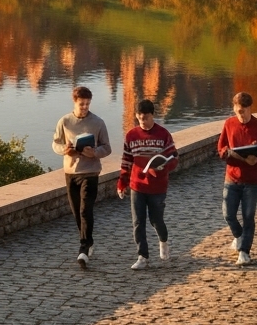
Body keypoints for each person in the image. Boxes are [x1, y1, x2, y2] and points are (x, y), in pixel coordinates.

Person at [52, 85, 111, 269]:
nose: (85, 107)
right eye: (82, 104)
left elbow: (107, 147)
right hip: (71, 172)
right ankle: (88, 240)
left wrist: (94, 153)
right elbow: (55, 143)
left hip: (91, 172)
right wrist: (65, 150)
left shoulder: (98, 122)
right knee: (77, 211)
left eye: (87, 104)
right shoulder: (65, 121)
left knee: (86, 209)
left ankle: (83, 248)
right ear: (75, 102)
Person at [216, 92, 257, 266]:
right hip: (232, 177)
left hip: (252, 180)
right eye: (237, 111)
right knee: (228, 214)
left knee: (248, 216)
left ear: (250, 108)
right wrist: (226, 153)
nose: (240, 115)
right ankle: (239, 236)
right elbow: (221, 147)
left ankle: (244, 252)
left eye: (243, 111)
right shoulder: (229, 124)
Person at [118, 99, 177, 270]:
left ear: (153, 115)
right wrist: (122, 183)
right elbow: (126, 161)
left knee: (156, 220)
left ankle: (163, 241)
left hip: (157, 186)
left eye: (146, 118)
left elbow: (174, 158)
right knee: (138, 221)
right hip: (137, 185)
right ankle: (142, 256)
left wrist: (164, 166)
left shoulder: (163, 134)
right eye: (139, 118)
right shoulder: (131, 135)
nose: (143, 121)